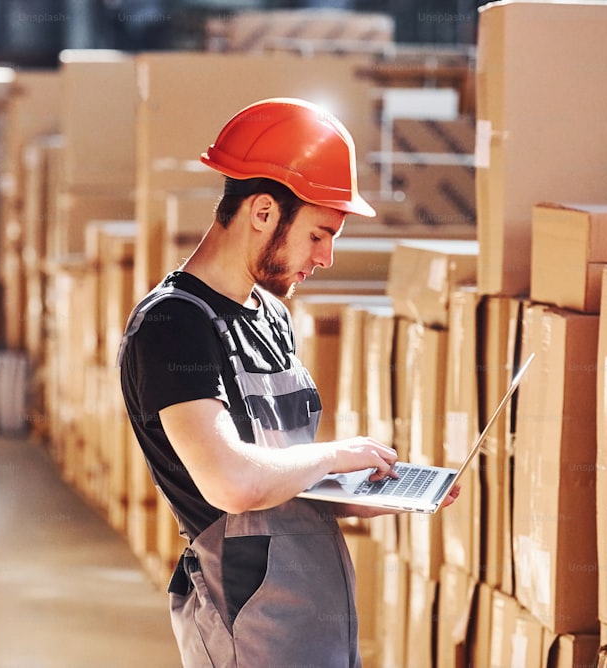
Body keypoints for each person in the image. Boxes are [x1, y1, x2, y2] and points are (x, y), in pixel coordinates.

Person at [118, 97, 459, 667]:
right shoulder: (173, 325)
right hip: (250, 624)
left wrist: (372, 494)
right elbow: (233, 486)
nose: (325, 257)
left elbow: (285, 479)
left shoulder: (271, 315)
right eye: (320, 234)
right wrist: (337, 453)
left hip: (313, 615)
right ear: (262, 212)